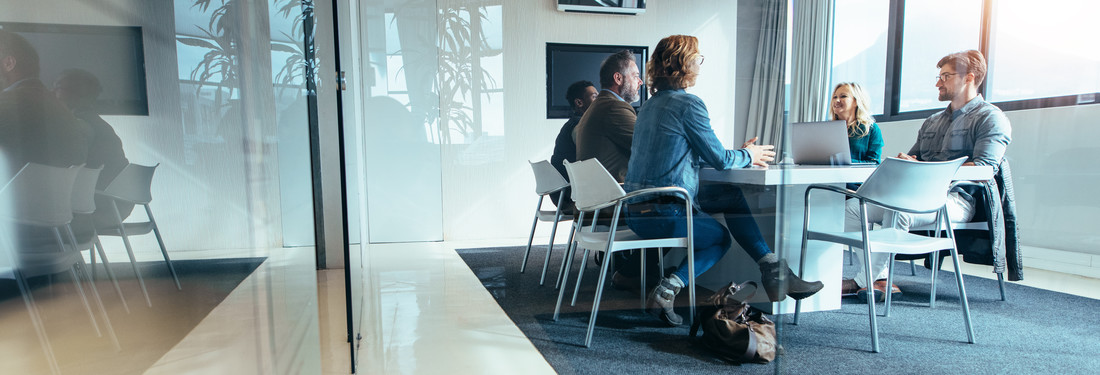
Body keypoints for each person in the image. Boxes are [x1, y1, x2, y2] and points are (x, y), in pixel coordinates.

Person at [624, 35, 823, 326]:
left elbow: (687, 155)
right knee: (720, 239)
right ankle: (668, 289)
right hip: (665, 212)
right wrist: (748, 154)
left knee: (731, 195)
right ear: (683, 64)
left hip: (635, 211)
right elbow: (720, 160)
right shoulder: (689, 104)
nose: (699, 64)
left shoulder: (648, 108)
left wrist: (739, 153)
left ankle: (774, 270)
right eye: (697, 58)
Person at [841, 50, 1011, 302]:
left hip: (958, 199)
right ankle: (879, 277)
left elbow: (985, 168)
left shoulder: (991, 118)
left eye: (945, 76)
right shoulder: (932, 121)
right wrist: (908, 162)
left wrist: (925, 169)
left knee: (897, 208)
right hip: (914, 196)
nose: (937, 83)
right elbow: (914, 160)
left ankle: (862, 281)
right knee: (853, 209)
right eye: (938, 76)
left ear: (969, 78)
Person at [53, 68, 133, 232]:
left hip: (96, 209)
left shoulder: (80, 126)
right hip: (114, 205)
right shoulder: (98, 124)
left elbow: (65, 168)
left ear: (76, 94)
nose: (51, 91)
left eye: (58, 87)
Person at [574, 50, 642, 183]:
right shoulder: (614, 108)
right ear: (618, 78)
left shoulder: (600, 104)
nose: (640, 82)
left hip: (598, 195)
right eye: (635, 76)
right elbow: (648, 145)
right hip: (615, 198)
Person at [549, 80, 597, 211]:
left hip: (562, 193)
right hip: (570, 195)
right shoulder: (580, 126)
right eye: (594, 97)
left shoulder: (572, 123)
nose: (599, 101)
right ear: (579, 103)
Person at [830, 82, 883, 164]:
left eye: (843, 96)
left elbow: (874, 163)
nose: (836, 100)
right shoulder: (827, 128)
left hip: (856, 176)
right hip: (826, 174)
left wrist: (843, 162)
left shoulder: (871, 129)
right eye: (835, 97)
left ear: (856, 101)